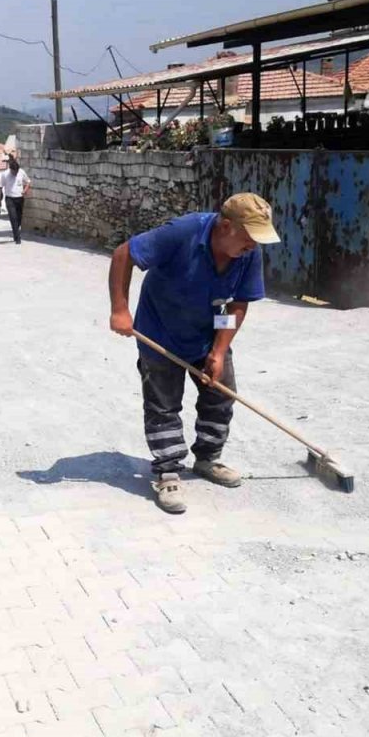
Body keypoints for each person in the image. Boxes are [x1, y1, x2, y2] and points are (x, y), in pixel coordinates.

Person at [107, 193, 280, 514]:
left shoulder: (247, 253)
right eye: (248, 238)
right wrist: (120, 309)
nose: (253, 246)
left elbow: (237, 303)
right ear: (226, 226)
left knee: (221, 394)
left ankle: (208, 459)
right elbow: (123, 254)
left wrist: (218, 350)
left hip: (207, 331)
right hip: (159, 331)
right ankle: (168, 471)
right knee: (164, 404)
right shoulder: (183, 233)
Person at [0, 155, 31, 244]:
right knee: (13, 218)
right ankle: (17, 238)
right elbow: (0, 187)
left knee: (19, 218)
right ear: (11, 170)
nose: (15, 174)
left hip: (19, 198)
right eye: (14, 172)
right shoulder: (5, 174)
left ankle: (16, 232)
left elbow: (28, 182)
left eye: (16, 172)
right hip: (10, 199)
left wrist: (25, 190)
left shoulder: (21, 172)